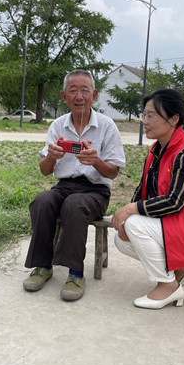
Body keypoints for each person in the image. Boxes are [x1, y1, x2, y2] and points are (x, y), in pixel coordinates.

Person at [111, 89, 184, 310]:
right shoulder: (158, 151)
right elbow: (143, 190)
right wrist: (127, 213)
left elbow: (175, 201)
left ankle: (168, 286)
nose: (145, 121)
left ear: (174, 119)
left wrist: (131, 210)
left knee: (135, 224)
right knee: (122, 238)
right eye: (143, 115)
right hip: (180, 225)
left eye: (151, 115)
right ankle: (181, 269)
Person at [23, 69, 126, 301]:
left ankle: (76, 273)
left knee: (74, 204)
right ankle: (42, 266)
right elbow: (45, 170)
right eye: (73, 91)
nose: (79, 96)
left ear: (94, 94)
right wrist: (52, 156)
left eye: (84, 90)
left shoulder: (107, 126)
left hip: (95, 191)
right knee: (42, 200)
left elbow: (114, 172)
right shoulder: (58, 126)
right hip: (64, 187)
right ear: (64, 96)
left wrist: (96, 161)